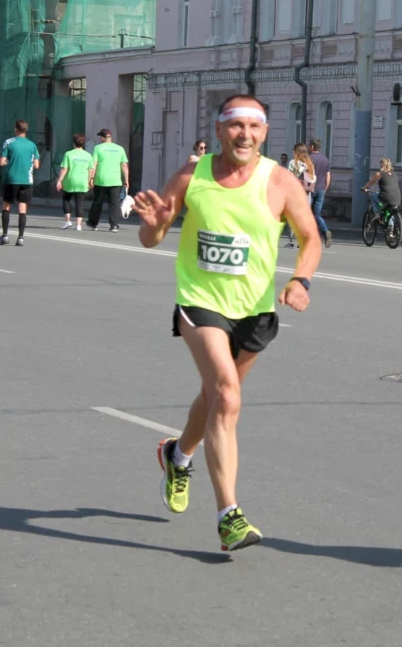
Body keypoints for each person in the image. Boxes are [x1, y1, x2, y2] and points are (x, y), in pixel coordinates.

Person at [132, 94, 320, 552]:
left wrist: (301, 281)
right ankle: (229, 516)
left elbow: (310, 238)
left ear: (265, 133)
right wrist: (156, 225)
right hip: (200, 302)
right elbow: (149, 238)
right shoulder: (191, 175)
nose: (245, 135)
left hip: (255, 309)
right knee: (227, 396)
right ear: (218, 130)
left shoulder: (279, 182)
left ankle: (177, 455)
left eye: (254, 127)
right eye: (236, 125)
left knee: (216, 396)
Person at [0, 120, 41, 247]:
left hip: (11, 179)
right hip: (27, 180)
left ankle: (5, 235)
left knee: (6, 206)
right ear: (26, 130)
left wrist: (7, 162)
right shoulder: (32, 145)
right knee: (22, 208)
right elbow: (37, 165)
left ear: (16, 129)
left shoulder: (9, 142)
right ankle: (21, 237)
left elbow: (1, 162)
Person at [87, 128, 129, 232]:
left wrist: (91, 178)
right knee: (114, 203)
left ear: (102, 137)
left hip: (101, 180)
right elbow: (124, 166)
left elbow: (94, 164)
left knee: (97, 202)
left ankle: (93, 223)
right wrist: (126, 180)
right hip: (115, 180)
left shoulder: (98, 148)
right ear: (110, 137)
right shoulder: (120, 149)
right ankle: (114, 225)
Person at [55, 133, 94, 231]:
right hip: (82, 181)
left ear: (73, 143)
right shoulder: (88, 155)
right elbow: (91, 170)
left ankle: (68, 220)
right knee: (79, 202)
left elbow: (64, 169)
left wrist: (59, 180)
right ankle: (78, 225)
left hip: (70, 181)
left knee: (66, 199)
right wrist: (90, 181)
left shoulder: (68, 154)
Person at [284, 143, 316, 248]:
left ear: (296, 152)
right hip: (307, 194)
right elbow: (313, 178)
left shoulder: (293, 162)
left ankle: (291, 241)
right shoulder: (310, 164)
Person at [308, 138, 333, 248]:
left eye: (309, 146)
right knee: (317, 214)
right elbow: (328, 177)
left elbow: (306, 175)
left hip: (310, 189)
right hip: (321, 189)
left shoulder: (309, 159)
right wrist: (324, 188)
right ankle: (325, 231)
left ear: (312, 147)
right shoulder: (325, 159)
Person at [362, 158, 402, 226]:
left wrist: (364, 188)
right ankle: (391, 230)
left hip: (386, 198)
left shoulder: (379, 174)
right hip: (397, 199)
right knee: (389, 211)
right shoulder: (394, 174)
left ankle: (377, 214)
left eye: (380, 164)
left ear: (383, 165)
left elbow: (370, 182)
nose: (379, 166)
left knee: (373, 195)